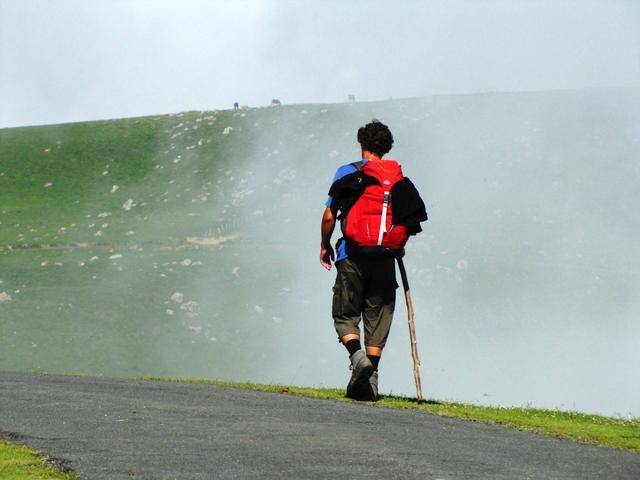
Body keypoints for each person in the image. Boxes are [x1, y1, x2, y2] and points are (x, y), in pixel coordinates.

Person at [320, 120, 426, 401]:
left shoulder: (348, 172)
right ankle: (371, 381)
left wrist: (324, 245)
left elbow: (330, 215)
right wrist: (397, 246)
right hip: (384, 258)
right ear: (386, 146)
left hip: (351, 255)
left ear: (361, 144)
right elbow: (410, 218)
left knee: (344, 314)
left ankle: (357, 359)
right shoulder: (398, 180)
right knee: (376, 319)